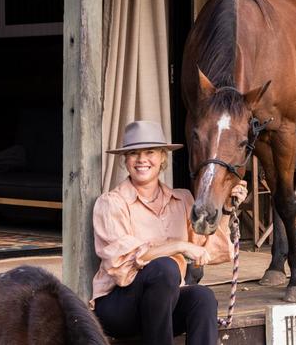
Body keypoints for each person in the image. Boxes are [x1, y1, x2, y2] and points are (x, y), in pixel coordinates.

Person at [91, 120, 248, 345]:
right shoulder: (111, 203)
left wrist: (226, 209)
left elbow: (207, 250)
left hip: (165, 305)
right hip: (120, 307)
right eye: (134, 153)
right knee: (165, 268)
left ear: (163, 158)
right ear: (125, 160)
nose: (142, 159)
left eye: (150, 152)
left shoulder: (182, 199)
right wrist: (180, 246)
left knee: (202, 297)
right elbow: (123, 263)